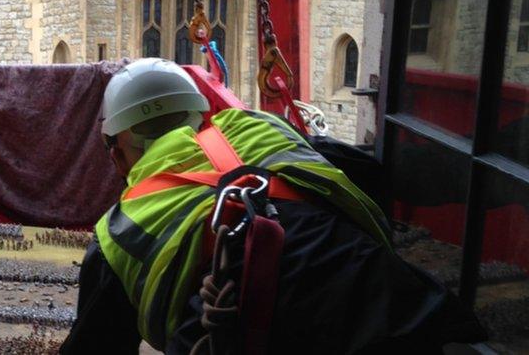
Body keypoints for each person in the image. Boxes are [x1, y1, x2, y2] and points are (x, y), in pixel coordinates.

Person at [60, 58, 483, 354]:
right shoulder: (263, 127)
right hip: (385, 302)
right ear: (203, 116)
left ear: (115, 154)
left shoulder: (118, 233)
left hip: (244, 332)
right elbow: (367, 173)